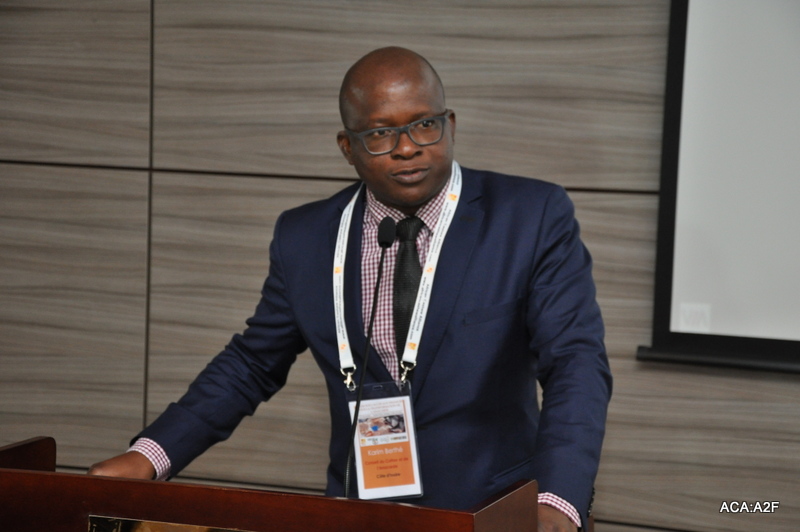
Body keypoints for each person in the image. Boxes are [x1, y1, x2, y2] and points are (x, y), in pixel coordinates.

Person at [89, 46, 612, 532]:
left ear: (449, 124)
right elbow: (251, 364)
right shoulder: (305, 237)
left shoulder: (529, 217)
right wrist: (151, 455)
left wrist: (558, 499)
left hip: (495, 512)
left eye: (424, 125)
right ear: (348, 147)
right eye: (381, 134)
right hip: (357, 513)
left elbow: (575, 361)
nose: (407, 148)